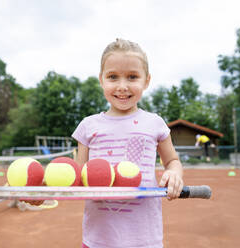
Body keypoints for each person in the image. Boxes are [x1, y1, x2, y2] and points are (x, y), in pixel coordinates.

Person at [72, 38, 184, 248]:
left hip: (144, 240)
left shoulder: (155, 123)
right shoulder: (88, 126)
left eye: (132, 77)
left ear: (147, 80)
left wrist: (175, 174)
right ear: (101, 79)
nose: (122, 86)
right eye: (113, 77)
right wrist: (41, 192)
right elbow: (76, 179)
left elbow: (172, 161)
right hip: (98, 240)